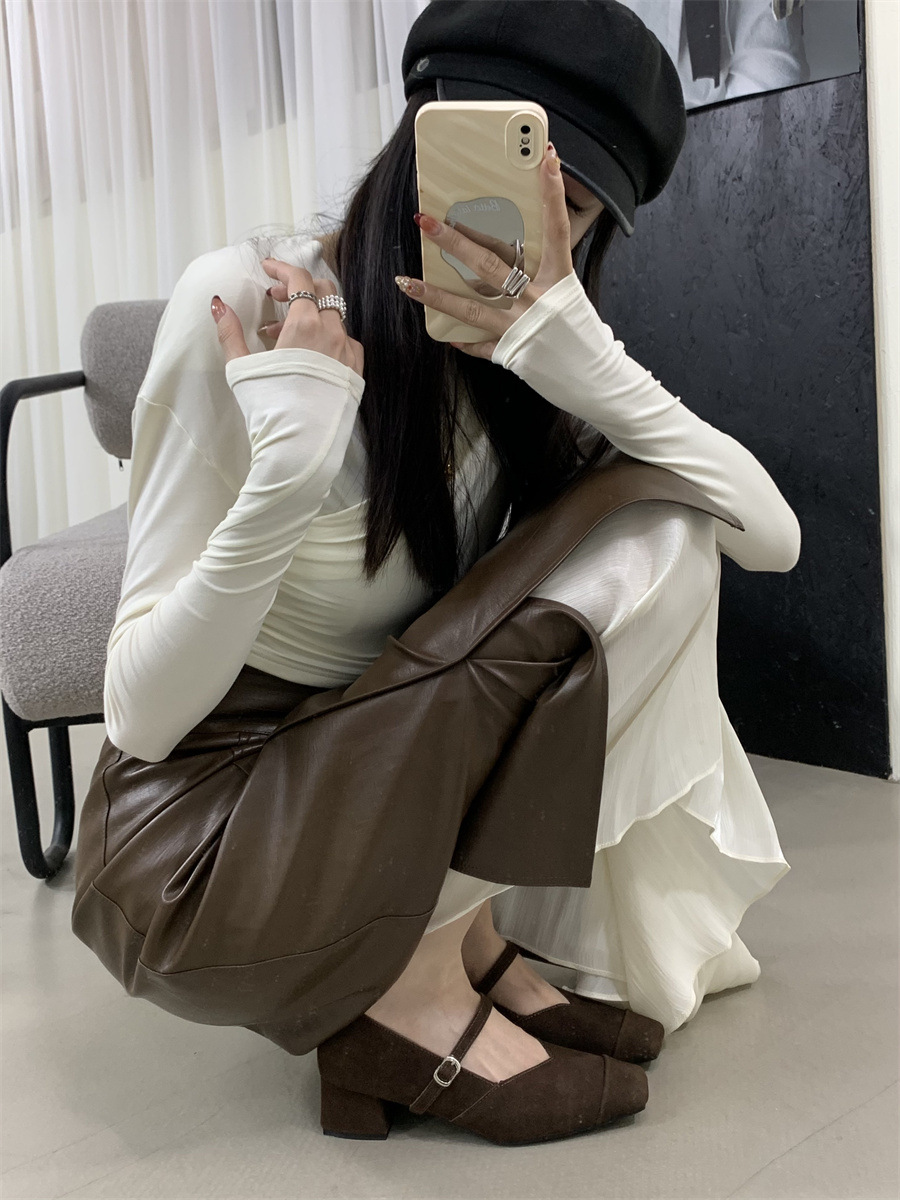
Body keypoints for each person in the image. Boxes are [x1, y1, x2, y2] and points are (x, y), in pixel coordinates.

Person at [80, 1, 800, 1146]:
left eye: (570, 210)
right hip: (203, 843)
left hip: (362, 771)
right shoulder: (256, 303)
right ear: (422, 132)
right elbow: (140, 716)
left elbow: (769, 534)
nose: (520, 233)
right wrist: (287, 474)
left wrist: (585, 359)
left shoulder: (516, 362)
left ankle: (462, 946)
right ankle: (403, 995)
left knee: (663, 536)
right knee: (626, 558)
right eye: (504, 172)